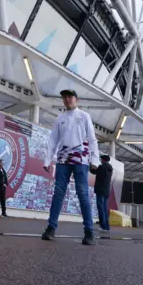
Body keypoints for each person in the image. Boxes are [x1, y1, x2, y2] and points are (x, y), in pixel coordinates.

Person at [41, 89, 99, 246]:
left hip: (81, 159)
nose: (67, 99)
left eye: (70, 96)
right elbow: (53, 140)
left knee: (83, 193)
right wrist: (48, 160)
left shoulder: (84, 116)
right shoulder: (60, 118)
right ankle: (51, 228)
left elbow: (92, 139)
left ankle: (89, 232)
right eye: (64, 97)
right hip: (63, 159)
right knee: (58, 192)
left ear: (76, 99)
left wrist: (95, 160)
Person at [90, 154, 113, 233]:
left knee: (100, 208)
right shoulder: (110, 167)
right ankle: (107, 227)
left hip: (100, 190)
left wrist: (90, 166)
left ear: (103, 160)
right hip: (106, 191)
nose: (100, 160)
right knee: (105, 209)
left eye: (101, 159)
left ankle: (103, 226)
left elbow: (94, 171)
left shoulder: (101, 167)